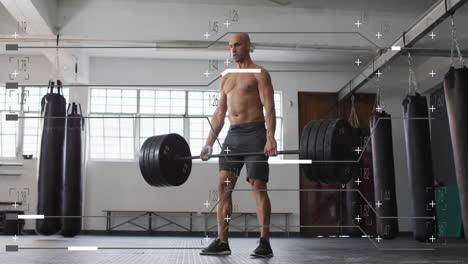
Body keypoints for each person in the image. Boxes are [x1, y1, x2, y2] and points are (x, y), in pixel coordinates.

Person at [199, 33, 277, 258]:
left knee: (257, 185)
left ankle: (264, 242)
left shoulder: (260, 73)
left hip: (255, 133)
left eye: (237, 45)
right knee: (223, 188)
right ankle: (222, 241)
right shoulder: (227, 77)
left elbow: (269, 107)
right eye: (230, 46)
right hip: (233, 136)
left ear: (248, 46)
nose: (233, 49)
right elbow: (220, 113)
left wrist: (270, 137)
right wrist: (209, 143)